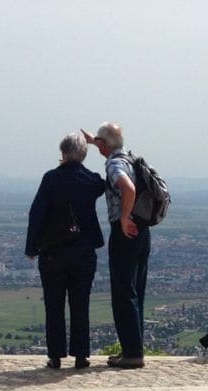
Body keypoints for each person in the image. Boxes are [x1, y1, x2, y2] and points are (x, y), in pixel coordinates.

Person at [25, 132, 105, 369]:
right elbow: (105, 182)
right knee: (81, 303)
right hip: (84, 252)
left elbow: (36, 213)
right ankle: (81, 355)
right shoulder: (92, 181)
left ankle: (56, 355)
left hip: (53, 252)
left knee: (54, 304)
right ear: (83, 154)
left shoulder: (51, 179)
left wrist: (32, 246)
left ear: (62, 153)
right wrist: (96, 142)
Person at [83, 122, 148, 368]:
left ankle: (132, 353)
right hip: (142, 231)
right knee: (136, 292)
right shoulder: (130, 157)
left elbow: (128, 188)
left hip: (126, 232)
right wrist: (94, 140)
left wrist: (123, 217)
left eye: (100, 140)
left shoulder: (114, 164)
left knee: (123, 293)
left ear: (105, 144)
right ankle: (135, 347)